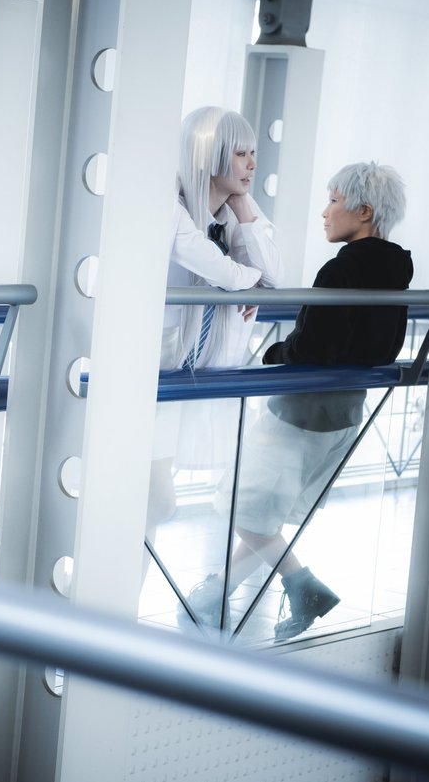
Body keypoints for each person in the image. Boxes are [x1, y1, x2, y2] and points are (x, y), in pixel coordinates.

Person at [184, 161, 412, 641]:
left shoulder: (341, 269)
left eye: (333, 200)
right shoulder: (396, 270)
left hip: (300, 413)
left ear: (364, 211)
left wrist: (275, 353)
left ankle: (303, 587)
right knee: (263, 516)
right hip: (345, 413)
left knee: (241, 507)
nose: (325, 212)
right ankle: (215, 594)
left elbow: (312, 348)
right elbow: (383, 347)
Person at [147, 106, 284, 546]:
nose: (252, 164)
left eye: (253, 153)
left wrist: (244, 210)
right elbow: (214, 265)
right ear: (208, 157)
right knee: (156, 503)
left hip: (189, 370)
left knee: (153, 507)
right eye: (241, 154)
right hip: (150, 369)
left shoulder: (232, 210)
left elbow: (273, 275)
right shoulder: (168, 202)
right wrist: (246, 282)